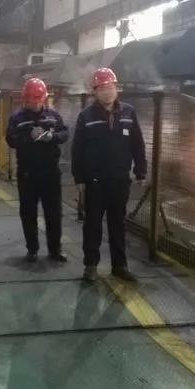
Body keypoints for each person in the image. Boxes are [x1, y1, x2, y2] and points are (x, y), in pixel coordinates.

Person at [72, 68, 146, 282]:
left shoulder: (129, 113)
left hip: (120, 179)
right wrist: (79, 178)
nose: (107, 92)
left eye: (110, 87)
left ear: (116, 88)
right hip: (95, 180)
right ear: (95, 91)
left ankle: (119, 266)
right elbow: (78, 149)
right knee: (92, 224)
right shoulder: (86, 116)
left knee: (118, 224)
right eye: (102, 88)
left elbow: (137, 143)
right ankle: (91, 266)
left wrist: (140, 171)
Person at [6, 78, 69, 262]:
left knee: (53, 212)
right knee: (28, 212)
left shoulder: (53, 116)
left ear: (44, 98)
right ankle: (32, 249)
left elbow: (64, 133)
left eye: (38, 100)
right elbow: (10, 139)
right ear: (25, 99)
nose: (35, 103)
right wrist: (29, 137)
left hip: (50, 172)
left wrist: (52, 137)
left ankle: (55, 250)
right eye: (31, 100)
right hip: (28, 172)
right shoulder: (17, 119)